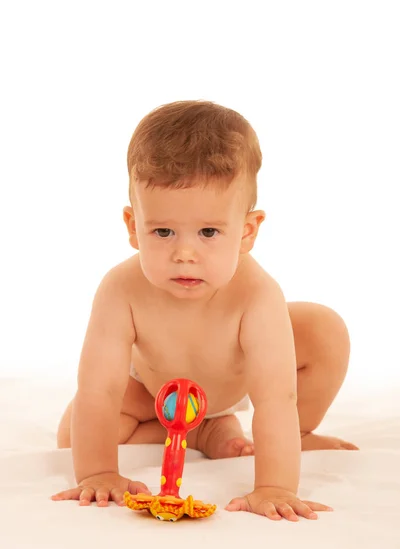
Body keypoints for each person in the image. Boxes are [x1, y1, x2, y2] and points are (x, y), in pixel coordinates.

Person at [53, 100, 358, 521]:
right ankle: (198, 431)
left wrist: (274, 486)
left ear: (247, 231)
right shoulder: (120, 289)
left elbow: (275, 397)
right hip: (153, 389)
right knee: (73, 436)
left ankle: (297, 434)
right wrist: (100, 471)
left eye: (209, 232)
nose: (184, 254)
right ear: (132, 226)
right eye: (162, 231)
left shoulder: (257, 294)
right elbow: (100, 390)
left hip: (230, 383)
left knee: (324, 329)